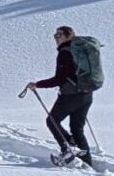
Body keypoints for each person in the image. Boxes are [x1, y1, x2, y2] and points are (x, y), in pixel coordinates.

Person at [28, 25, 95, 166]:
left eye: (59, 35)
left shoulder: (65, 52)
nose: (56, 38)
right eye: (55, 35)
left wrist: (37, 84)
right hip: (86, 94)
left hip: (70, 95)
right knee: (77, 128)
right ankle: (87, 163)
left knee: (52, 121)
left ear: (68, 35)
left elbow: (59, 79)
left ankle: (68, 148)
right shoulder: (81, 50)